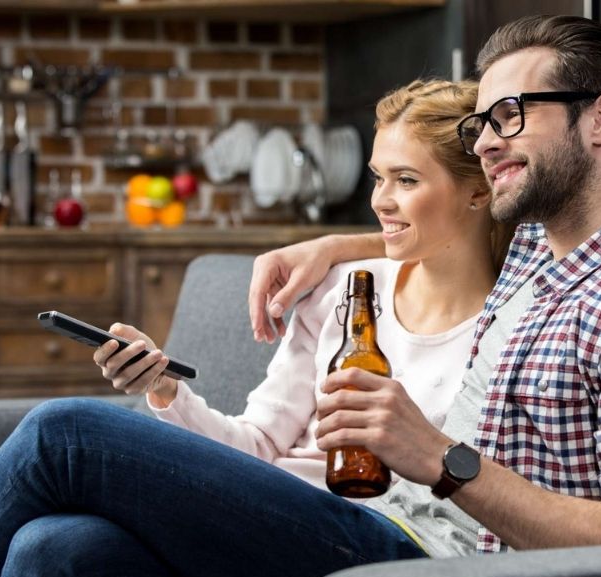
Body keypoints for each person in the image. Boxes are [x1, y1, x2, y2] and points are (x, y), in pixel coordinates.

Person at [0, 15, 601, 577]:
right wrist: (329, 248)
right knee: (57, 550)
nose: (486, 143)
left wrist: (440, 460)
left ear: (600, 119)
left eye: (509, 117)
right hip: (413, 538)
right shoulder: (541, 252)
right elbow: (443, 226)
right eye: (481, 125)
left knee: (64, 432)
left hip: (456, 571)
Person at [89, 79, 506, 493]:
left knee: (65, 429)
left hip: (362, 529)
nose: (380, 201)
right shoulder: (344, 289)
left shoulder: (510, 334)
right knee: (57, 542)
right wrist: (163, 387)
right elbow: (256, 445)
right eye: (379, 178)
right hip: (268, 504)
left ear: (479, 191)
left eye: (407, 180)